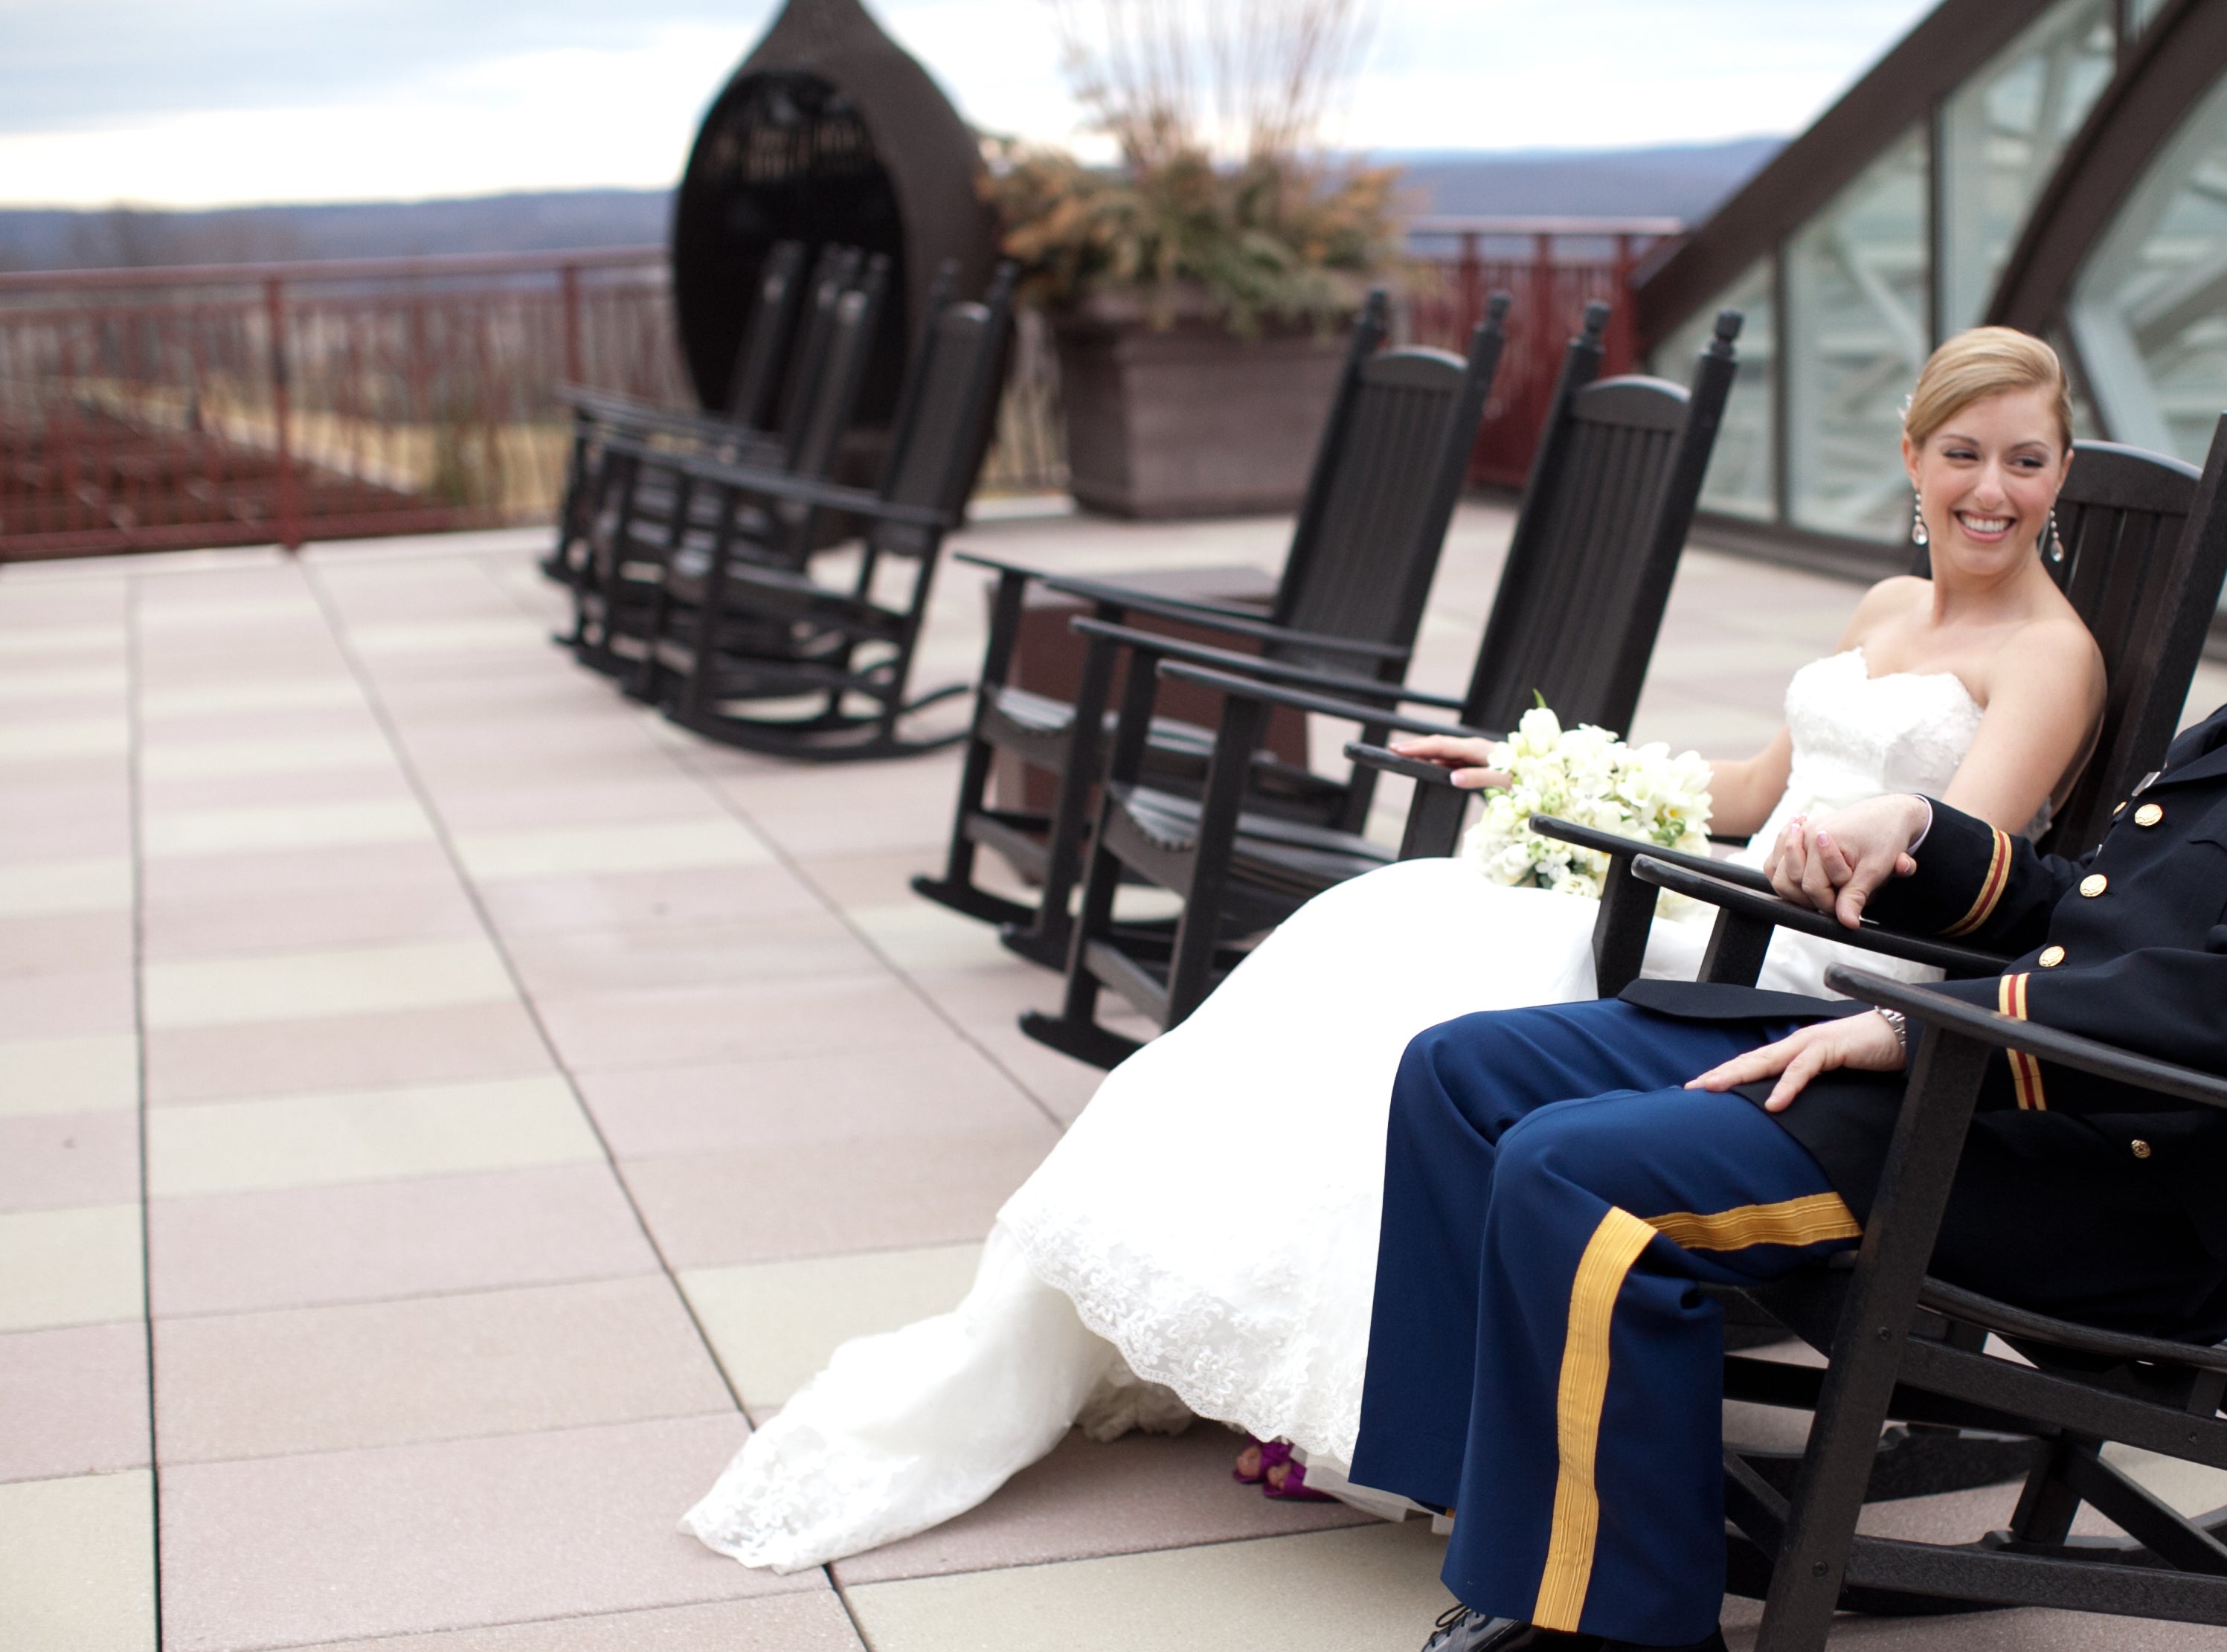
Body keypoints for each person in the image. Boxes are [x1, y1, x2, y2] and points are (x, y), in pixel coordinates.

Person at [1305, 359, 2227, 1652]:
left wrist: (1934, 1034)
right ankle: (1538, 1594)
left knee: (1584, 1180)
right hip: (2013, 1094)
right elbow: (2095, 912)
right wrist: (1924, 837)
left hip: (2105, 1171)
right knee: (1468, 1073)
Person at [682, 327, 2105, 1572]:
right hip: (1725, 893)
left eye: (2027, 462)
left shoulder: (2049, 654)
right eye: (1965, 455)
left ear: (2058, 478)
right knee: (1377, 920)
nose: (1994, 491)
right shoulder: (1884, 612)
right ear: (1912, 458)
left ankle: (1363, 1393)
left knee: (1434, 955)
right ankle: (1302, 1362)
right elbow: (1748, 792)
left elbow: (1956, 865)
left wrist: (1868, 830)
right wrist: (1545, 768)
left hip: (1812, 968)